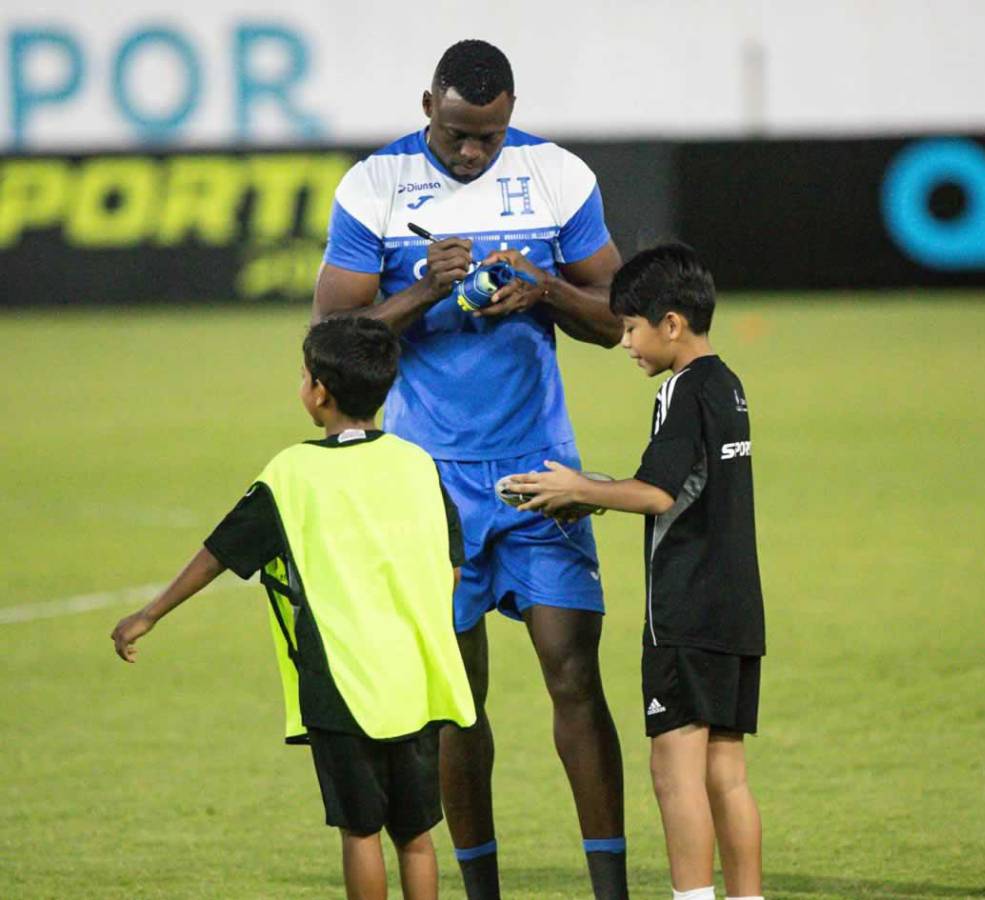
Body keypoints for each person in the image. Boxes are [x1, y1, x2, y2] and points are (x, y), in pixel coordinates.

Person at [311, 39, 628, 900]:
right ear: (427, 107)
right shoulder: (372, 187)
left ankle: (612, 892)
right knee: (457, 699)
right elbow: (331, 344)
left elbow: (620, 320)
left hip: (540, 472)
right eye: (456, 133)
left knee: (575, 676)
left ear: (510, 114)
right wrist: (422, 288)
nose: (472, 152)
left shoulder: (556, 176)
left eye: (488, 135)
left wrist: (548, 289)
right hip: (428, 483)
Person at [110, 317, 476, 900]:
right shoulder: (417, 463)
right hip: (415, 678)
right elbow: (452, 567)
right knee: (416, 834)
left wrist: (149, 614)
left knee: (360, 832)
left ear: (320, 391)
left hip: (341, 681)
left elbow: (220, 552)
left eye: (303, 374)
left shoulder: (293, 473)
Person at [508, 244, 766, 900]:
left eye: (630, 327)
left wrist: (584, 490)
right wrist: (578, 487)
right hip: (736, 608)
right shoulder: (726, 383)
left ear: (671, 324)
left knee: (673, 771)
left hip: (685, 610)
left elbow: (655, 494)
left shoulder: (683, 392)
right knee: (726, 775)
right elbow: (683, 488)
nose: (624, 341)